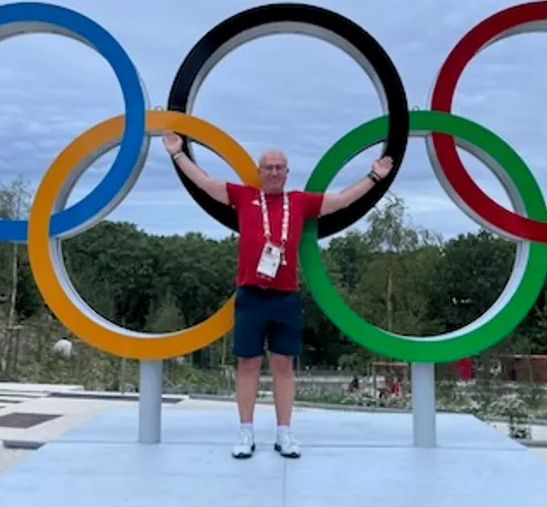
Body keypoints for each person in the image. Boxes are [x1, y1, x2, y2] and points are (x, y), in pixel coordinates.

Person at [163, 130, 392, 459]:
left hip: (285, 297)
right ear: (259, 172)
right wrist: (177, 154)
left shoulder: (299, 202)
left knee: (283, 365)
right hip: (251, 295)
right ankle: (245, 432)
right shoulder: (244, 197)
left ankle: (284, 434)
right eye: (268, 167)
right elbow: (205, 182)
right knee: (248, 364)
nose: (273, 172)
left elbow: (341, 199)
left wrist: (374, 175)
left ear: (286, 172)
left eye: (279, 167)